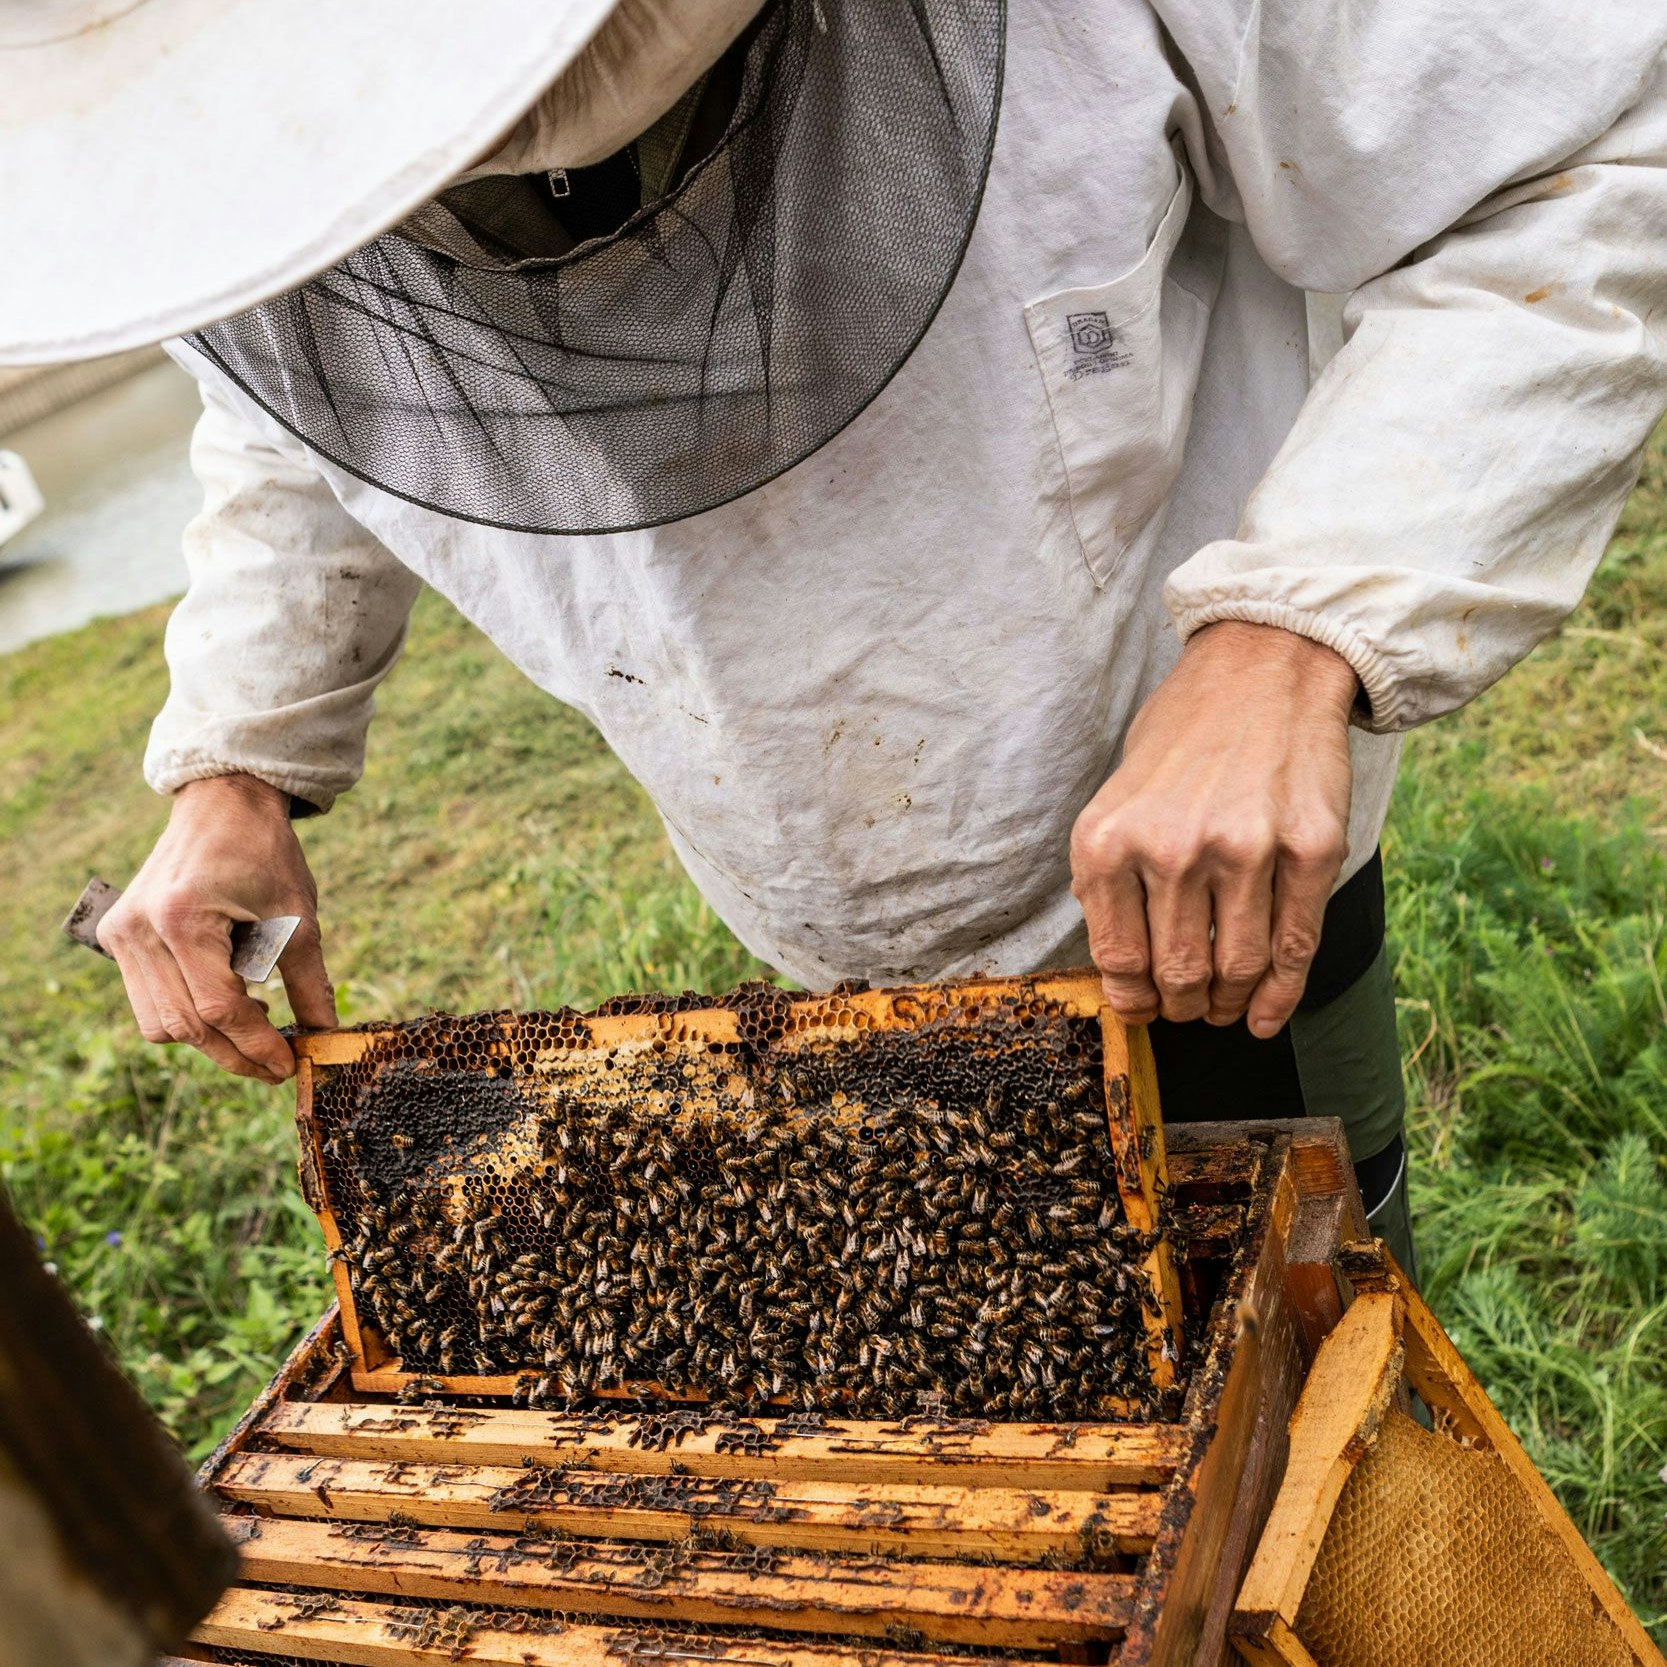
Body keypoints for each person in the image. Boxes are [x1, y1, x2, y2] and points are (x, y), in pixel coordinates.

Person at [6, 0, 1666, 1277]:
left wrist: (1291, 635)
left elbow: (1575, 164)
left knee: (1322, 1320)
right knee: (1037, 1393)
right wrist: (237, 759)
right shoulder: (258, 180)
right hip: (824, 922)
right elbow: (318, 410)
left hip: (1218, 873)